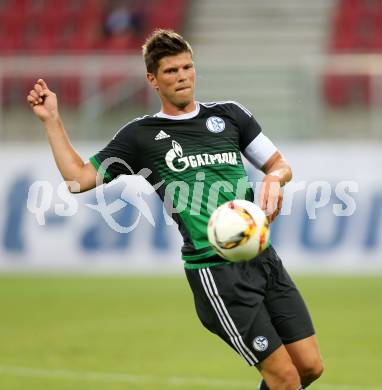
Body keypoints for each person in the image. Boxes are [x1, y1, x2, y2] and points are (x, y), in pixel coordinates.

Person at [27, 29, 324, 390]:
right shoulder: (141, 135)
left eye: (187, 67)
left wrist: (274, 179)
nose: (182, 76)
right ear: (153, 79)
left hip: (262, 257)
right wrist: (51, 120)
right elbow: (77, 179)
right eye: (171, 71)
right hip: (216, 271)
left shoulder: (230, 116)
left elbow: (280, 164)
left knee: (309, 368)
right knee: (285, 379)